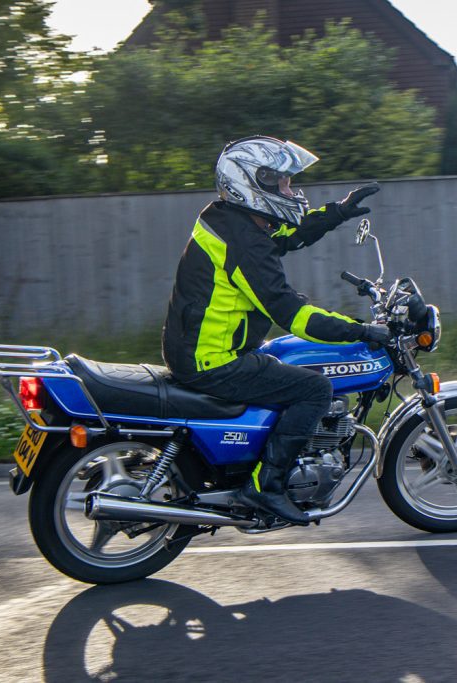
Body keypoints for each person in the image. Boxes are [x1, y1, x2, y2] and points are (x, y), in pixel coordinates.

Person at [161, 136, 389, 525]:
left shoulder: (228, 220)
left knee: (283, 358)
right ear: (254, 184)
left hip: (200, 348)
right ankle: (267, 486)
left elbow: (286, 238)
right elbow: (293, 313)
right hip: (213, 360)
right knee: (315, 388)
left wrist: (338, 212)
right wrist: (362, 331)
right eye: (282, 183)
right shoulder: (243, 242)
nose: (291, 190)